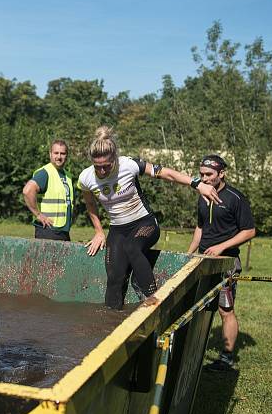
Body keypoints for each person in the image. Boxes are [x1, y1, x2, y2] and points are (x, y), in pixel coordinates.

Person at [79, 126, 221, 310]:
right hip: (118, 229)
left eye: (107, 166)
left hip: (144, 224)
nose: (103, 171)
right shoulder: (86, 177)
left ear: (114, 158)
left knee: (132, 246)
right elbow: (90, 204)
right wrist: (98, 231)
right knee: (114, 276)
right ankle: (111, 322)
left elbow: (165, 173)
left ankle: (154, 302)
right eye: (98, 167)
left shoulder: (129, 165)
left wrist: (197, 184)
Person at [187, 155, 256, 373]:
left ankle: (226, 359)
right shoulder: (202, 195)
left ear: (221, 173)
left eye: (209, 175)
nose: (204, 179)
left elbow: (249, 231)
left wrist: (221, 247)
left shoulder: (236, 198)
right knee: (198, 308)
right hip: (202, 261)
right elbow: (200, 228)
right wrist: (188, 254)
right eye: (201, 175)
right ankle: (193, 354)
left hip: (226, 264)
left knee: (225, 310)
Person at [22, 140, 74, 241]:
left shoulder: (68, 176)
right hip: (47, 230)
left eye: (62, 153)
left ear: (66, 155)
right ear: (50, 154)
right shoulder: (45, 173)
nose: (59, 157)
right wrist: (38, 214)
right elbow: (27, 191)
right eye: (56, 153)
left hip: (62, 231)